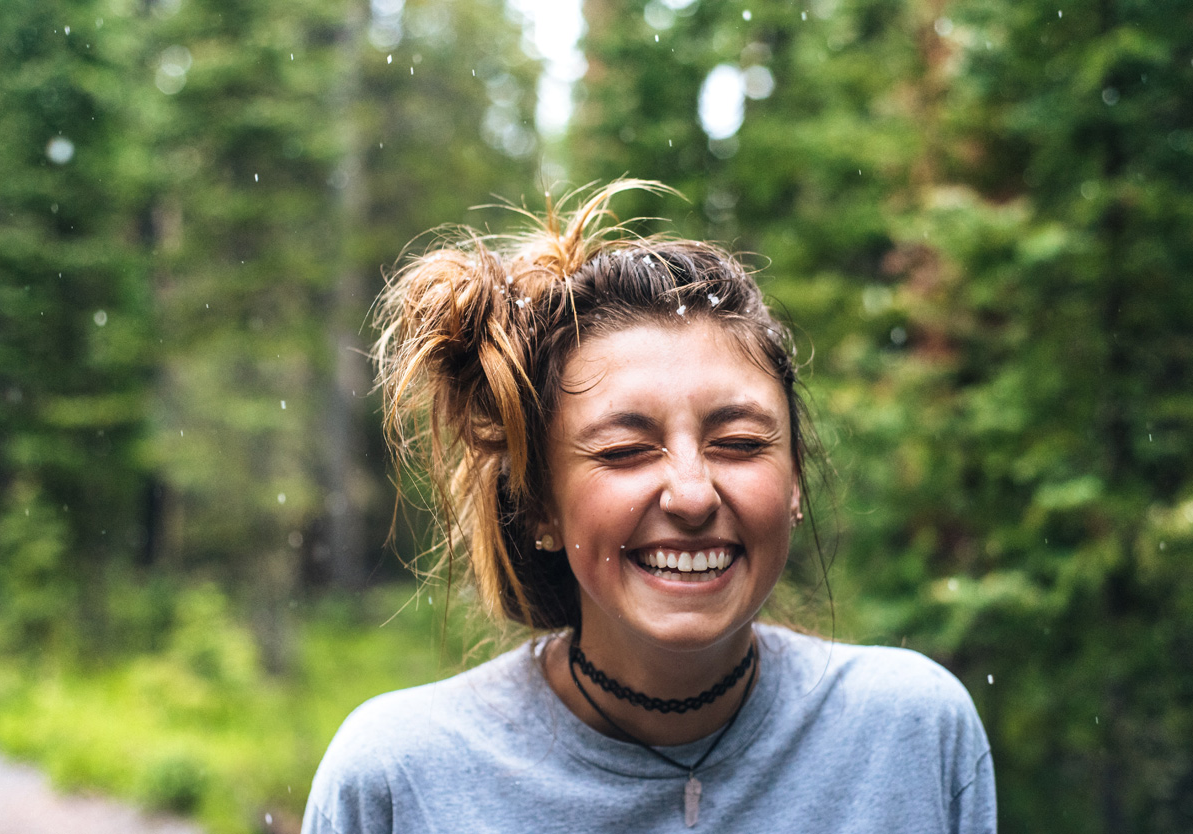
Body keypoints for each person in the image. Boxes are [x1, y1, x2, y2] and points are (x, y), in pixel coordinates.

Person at [303, 181, 996, 833]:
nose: (692, 495)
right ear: (541, 505)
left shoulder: (912, 736)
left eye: (740, 443)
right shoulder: (402, 779)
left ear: (794, 486)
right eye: (625, 451)